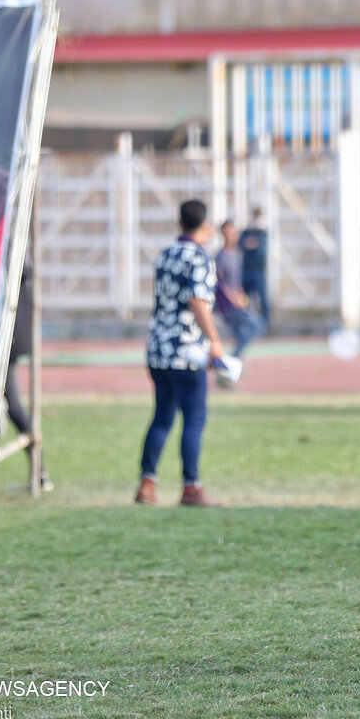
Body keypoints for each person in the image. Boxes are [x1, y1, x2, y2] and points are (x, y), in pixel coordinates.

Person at [135, 199, 225, 507]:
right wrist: (215, 341)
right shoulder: (199, 258)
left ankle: (147, 483)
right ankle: (191, 486)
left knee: (162, 417)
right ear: (205, 226)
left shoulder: (165, 255)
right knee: (194, 418)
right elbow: (198, 302)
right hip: (186, 350)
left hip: (158, 347)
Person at [4, 262, 52, 492]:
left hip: (3, 343)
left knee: (14, 406)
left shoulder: (9, 248)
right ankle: (40, 471)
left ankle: (40, 470)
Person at [214, 219, 263, 361]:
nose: (232, 235)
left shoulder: (237, 254)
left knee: (241, 334)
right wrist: (233, 299)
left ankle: (232, 368)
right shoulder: (221, 257)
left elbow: (237, 281)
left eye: (234, 232)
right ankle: (232, 360)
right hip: (227, 304)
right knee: (255, 325)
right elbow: (219, 284)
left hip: (237, 301)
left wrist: (242, 296)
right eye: (228, 233)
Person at [239, 206, 270, 330]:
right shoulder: (246, 232)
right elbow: (242, 245)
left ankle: (266, 326)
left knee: (263, 299)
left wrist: (250, 244)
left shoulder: (263, 233)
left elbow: (260, 251)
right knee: (244, 299)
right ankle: (244, 324)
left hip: (258, 271)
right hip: (246, 270)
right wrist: (250, 243)